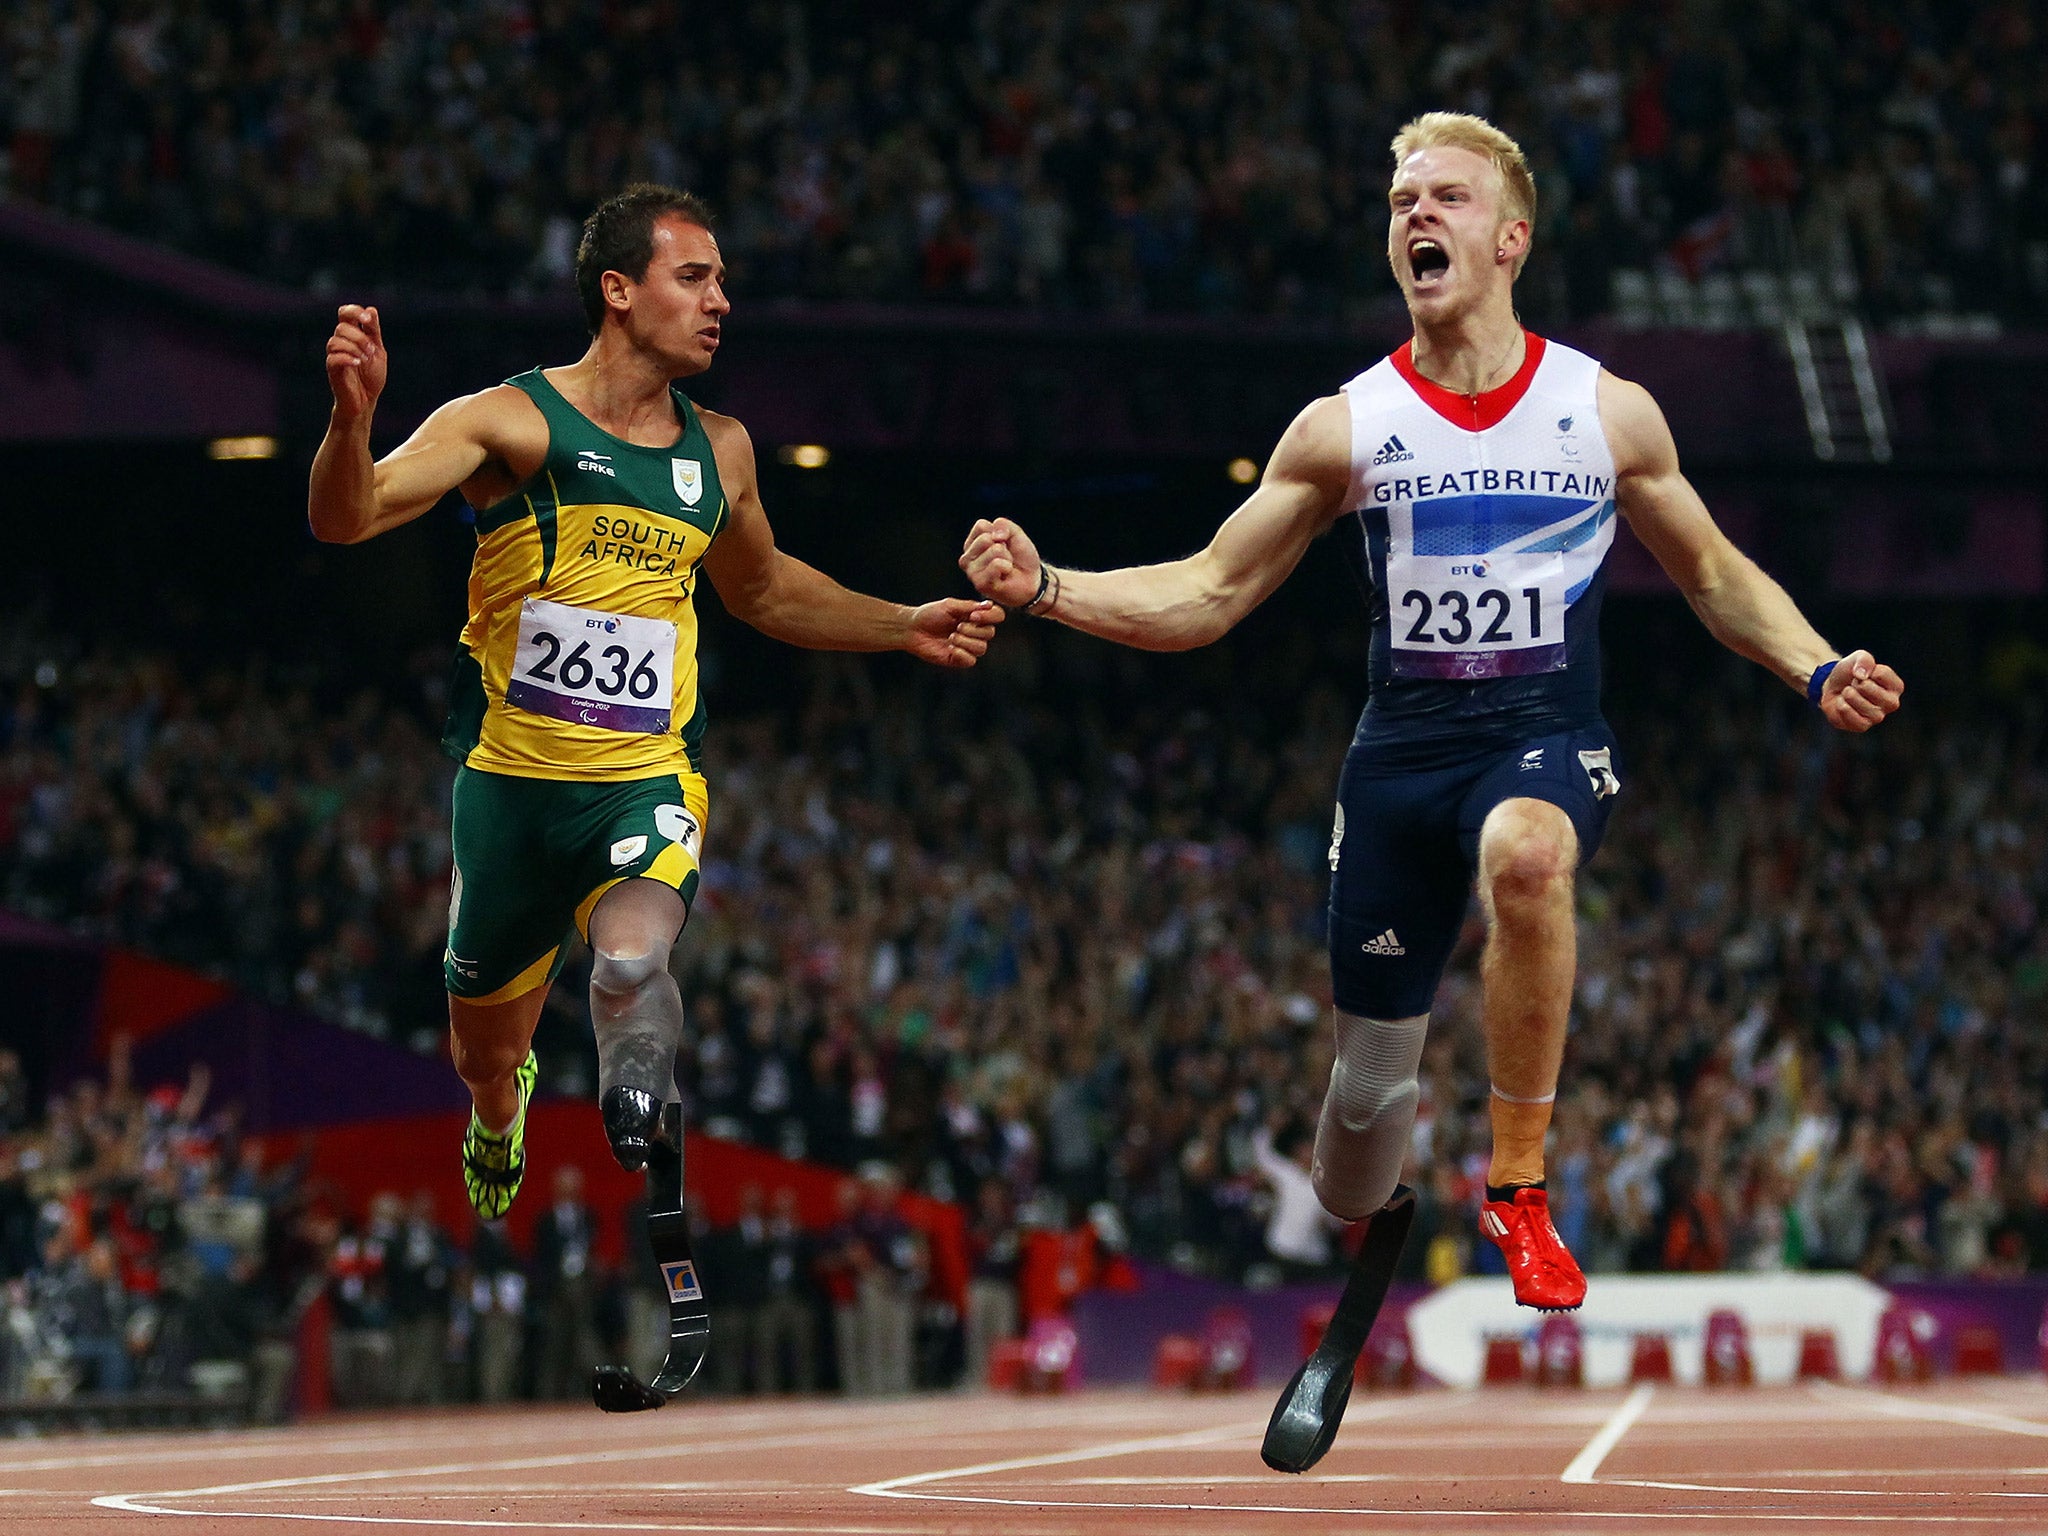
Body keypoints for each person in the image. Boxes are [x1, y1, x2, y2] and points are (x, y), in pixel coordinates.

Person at [963, 113, 1901, 1336]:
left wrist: (1816, 666)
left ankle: (1516, 1181)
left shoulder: (1603, 411)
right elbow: (1204, 592)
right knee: (1358, 1131)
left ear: (1509, 238)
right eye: (1401, 200)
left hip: (1542, 734)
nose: (1416, 216)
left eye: (1446, 199)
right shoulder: (1342, 427)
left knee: (1528, 854)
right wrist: (1047, 588)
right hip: (1399, 764)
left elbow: (1716, 577)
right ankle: (1376, 1191)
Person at [309, 184, 1001, 1225]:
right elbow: (345, 517)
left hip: (642, 780)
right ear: (619, 290)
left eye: (721, 279)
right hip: (508, 795)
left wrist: (899, 622)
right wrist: (351, 419)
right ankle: (501, 1113)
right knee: (482, 1055)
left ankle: (638, 1090)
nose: (720, 299)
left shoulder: (718, 448)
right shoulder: (507, 421)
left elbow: (760, 589)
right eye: (695, 277)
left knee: (632, 959)